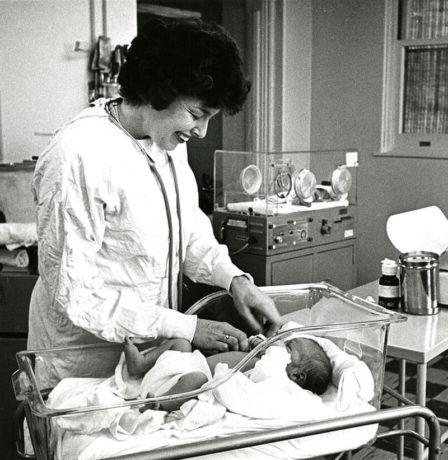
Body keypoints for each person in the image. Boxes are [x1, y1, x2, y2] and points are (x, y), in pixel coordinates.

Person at [27, 18, 281, 380]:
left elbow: (187, 228)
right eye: (197, 114)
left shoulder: (166, 143)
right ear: (160, 89)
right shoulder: (79, 155)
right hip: (81, 368)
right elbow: (75, 293)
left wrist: (235, 280)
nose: (202, 130)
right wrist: (186, 328)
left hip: (149, 358)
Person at [123, 335, 332, 412]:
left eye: (288, 348)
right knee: (182, 342)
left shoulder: (275, 377)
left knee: (198, 380)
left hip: (183, 380)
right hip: (187, 363)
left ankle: (160, 404)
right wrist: (260, 342)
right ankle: (141, 365)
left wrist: (274, 348)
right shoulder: (268, 359)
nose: (280, 344)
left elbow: (266, 369)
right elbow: (264, 348)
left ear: (297, 376)